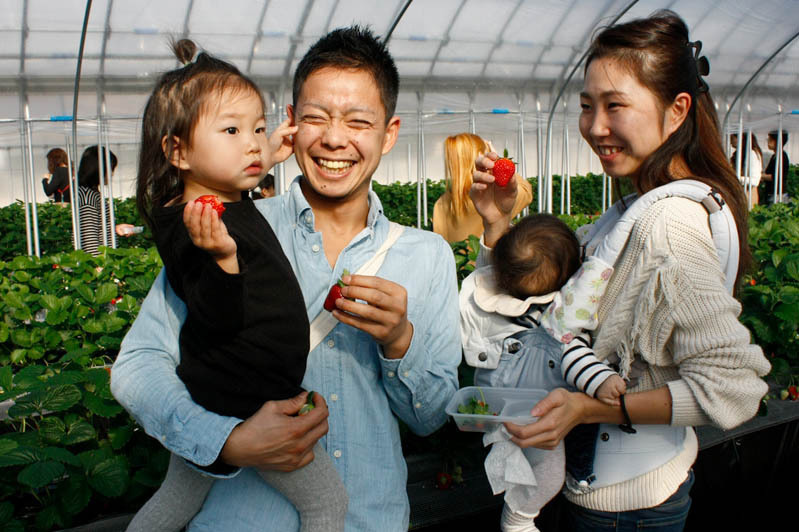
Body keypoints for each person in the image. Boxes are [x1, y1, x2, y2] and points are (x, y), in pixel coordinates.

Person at [111, 26, 460, 532]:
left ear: (389, 132)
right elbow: (138, 366)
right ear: (292, 123)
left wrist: (399, 341)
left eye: (359, 121)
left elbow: (430, 419)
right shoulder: (227, 228)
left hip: (370, 518)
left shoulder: (427, 256)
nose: (335, 139)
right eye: (317, 117)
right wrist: (226, 441)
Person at [470, 11, 769, 531]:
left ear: (677, 111)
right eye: (587, 107)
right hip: (625, 493)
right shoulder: (641, 206)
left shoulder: (668, 222)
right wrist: (498, 223)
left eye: (615, 106)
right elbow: (553, 297)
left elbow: (732, 388)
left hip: (629, 511)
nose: (596, 127)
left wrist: (590, 411)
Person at [123, 39, 347, 532]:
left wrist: (266, 155)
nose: (252, 143)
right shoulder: (196, 226)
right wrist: (223, 259)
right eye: (232, 130)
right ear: (177, 151)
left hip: (222, 392)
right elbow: (219, 316)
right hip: (247, 400)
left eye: (258, 128)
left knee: (176, 502)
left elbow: (234, 178)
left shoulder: (218, 197)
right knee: (328, 504)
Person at [460, 213, 626, 532]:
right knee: (549, 473)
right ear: (570, 276)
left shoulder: (484, 300)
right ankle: (521, 518)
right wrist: (603, 380)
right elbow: (576, 357)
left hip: (494, 406)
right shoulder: (558, 321)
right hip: (538, 412)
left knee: (518, 461)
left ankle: (558, 484)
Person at [433, 133, 532, 243]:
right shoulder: (490, 195)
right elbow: (527, 192)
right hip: (490, 258)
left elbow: (440, 245)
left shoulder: (440, 204)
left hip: (459, 260)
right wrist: (500, 160)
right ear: (480, 155)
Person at [76, 145, 116, 255]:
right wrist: (98, 265)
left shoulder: (91, 193)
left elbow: (96, 226)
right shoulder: (87, 196)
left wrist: (115, 229)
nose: (112, 174)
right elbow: (89, 237)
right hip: (98, 264)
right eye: (111, 169)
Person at [729, 132, 763, 207]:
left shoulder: (752, 154)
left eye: (732, 138)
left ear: (741, 138)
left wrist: (735, 177)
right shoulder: (740, 154)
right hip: (742, 192)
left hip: (749, 193)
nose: (730, 141)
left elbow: (755, 181)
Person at [760, 130, 790, 204]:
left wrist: (760, 176)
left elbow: (775, 176)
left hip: (777, 194)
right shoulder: (775, 156)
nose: (768, 142)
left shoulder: (782, 156)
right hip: (772, 192)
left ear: (777, 142)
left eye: (770, 140)